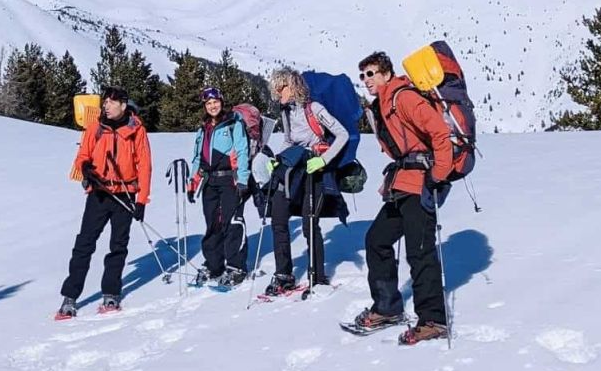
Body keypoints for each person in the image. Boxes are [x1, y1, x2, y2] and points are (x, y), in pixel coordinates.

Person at [354, 51, 454, 345]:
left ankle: (433, 320)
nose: (366, 80)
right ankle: (387, 307)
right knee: (377, 240)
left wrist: (439, 174)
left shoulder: (403, 98)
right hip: (401, 185)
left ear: (386, 73)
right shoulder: (383, 104)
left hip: (421, 183)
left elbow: (439, 133)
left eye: (371, 74)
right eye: (363, 76)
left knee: (420, 251)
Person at [56, 86, 152, 319]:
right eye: (104, 102)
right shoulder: (95, 127)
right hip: (98, 193)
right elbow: (82, 156)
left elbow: (145, 165)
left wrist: (141, 201)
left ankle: (111, 294)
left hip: (124, 194)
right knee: (84, 245)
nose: (105, 106)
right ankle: (70, 297)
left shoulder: (136, 129)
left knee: (118, 246)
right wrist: (86, 169)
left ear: (123, 105)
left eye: (110, 102)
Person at [262, 68, 349, 296]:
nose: (278, 92)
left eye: (282, 87)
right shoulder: (286, 112)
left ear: (293, 87)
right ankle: (284, 275)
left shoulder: (315, 109)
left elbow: (342, 135)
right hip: (292, 171)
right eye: (276, 88)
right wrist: (277, 160)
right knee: (278, 219)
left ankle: (318, 277)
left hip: (313, 171)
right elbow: (289, 140)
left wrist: (323, 160)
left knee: (310, 224)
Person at [190, 86, 251, 287]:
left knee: (231, 223)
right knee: (212, 224)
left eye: (215, 101)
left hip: (229, 180)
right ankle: (214, 264)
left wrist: (242, 179)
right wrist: (193, 183)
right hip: (210, 181)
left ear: (221, 102)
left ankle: (236, 267)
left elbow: (242, 151)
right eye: (208, 103)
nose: (212, 106)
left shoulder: (233, 123)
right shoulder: (203, 128)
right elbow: (198, 158)